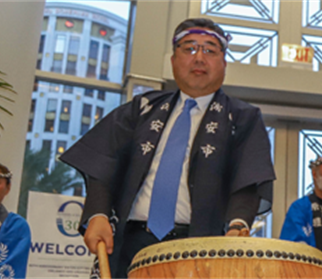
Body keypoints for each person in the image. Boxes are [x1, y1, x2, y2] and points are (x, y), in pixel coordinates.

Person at [60, 18, 275, 278]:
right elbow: (103, 162)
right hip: (132, 243)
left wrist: (237, 226)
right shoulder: (142, 108)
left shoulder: (242, 117)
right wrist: (97, 214)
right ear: (173, 61)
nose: (198, 58)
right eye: (189, 48)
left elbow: (249, 178)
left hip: (201, 249)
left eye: (210, 50)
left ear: (224, 64)